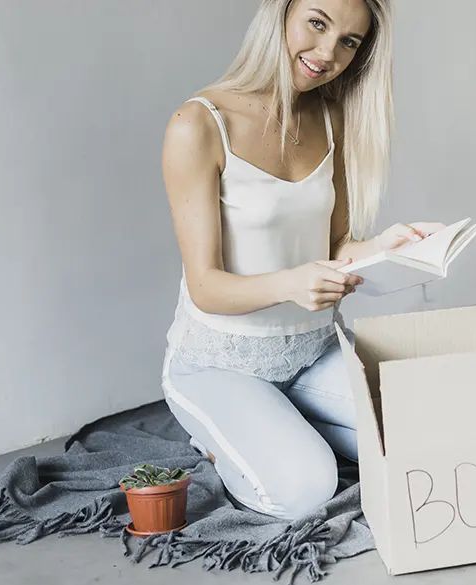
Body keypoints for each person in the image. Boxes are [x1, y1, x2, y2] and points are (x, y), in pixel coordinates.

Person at [159, 0, 441, 520]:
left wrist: (389, 246)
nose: (327, 52)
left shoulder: (330, 117)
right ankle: (220, 432)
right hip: (220, 363)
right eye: (317, 23)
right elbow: (206, 287)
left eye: (349, 42)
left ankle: (290, 420)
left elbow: (335, 249)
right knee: (306, 490)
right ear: (280, 14)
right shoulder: (198, 125)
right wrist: (291, 284)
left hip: (314, 351)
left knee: (429, 438)